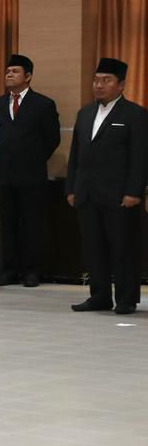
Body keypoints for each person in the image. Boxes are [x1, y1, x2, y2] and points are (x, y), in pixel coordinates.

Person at [67, 58, 147, 315]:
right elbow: (76, 155)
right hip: (87, 193)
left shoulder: (135, 114)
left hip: (119, 195)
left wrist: (134, 191)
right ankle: (99, 296)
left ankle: (126, 298)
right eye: (96, 80)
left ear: (121, 85)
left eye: (106, 80)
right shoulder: (85, 113)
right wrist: (71, 188)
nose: (99, 85)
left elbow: (140, 157)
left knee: (123, 249)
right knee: (93, 249)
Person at [0, 54, 60, 287]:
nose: (9, 74)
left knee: (32, 224)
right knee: (8, 224)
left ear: (28, 76)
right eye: (7, 71)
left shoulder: (43, 104)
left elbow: (52, 139)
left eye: (15, 71)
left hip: (31, 175)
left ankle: (32, 271)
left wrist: (33, 159)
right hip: (3, 174)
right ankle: (9, 269)